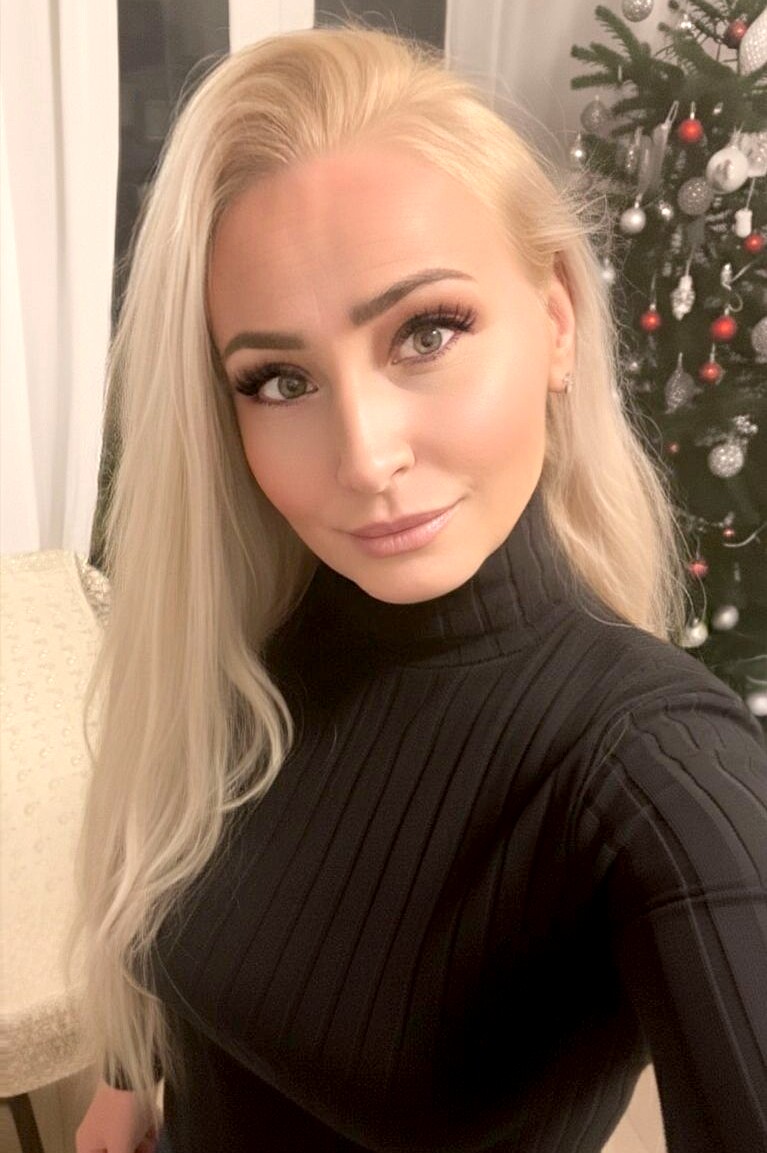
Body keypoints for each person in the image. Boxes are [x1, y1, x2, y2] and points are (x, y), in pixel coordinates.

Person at [71, 24, 767, 1153]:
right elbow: (169, 876)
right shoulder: (254, 636)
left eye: (426, 332)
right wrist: (127, 1079)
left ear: (554, 319)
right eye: (279, 379)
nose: (363, 456)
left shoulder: (653, 769)